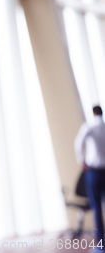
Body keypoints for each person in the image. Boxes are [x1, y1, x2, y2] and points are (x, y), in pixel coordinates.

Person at [75, 105, 105, 249]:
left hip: (94, 172)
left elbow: (78, 143)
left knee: (97, 209)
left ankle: (101, 245)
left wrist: (82, 161)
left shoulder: (89, 127)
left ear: (93, 113)